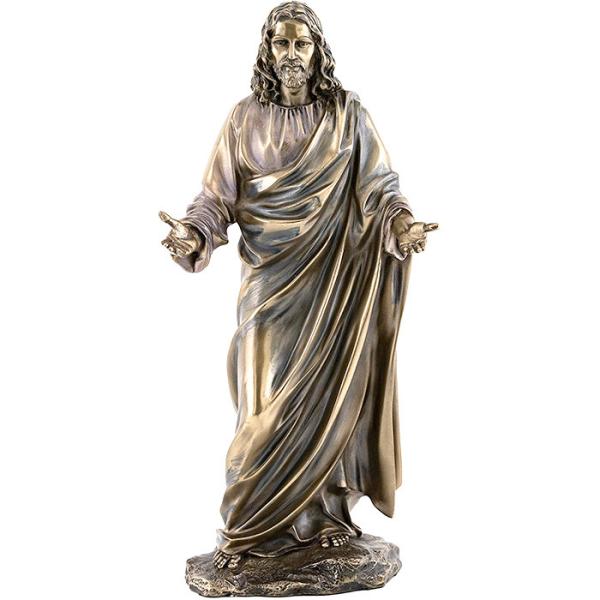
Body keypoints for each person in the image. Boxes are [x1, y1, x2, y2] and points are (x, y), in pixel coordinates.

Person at [160, 1, 437, 570]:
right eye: (282, 43)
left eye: (301, 44)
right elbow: (216, 198)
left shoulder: (348, 115)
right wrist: (193, 233)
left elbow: (380, 188)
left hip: (334, 282)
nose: (291, 54)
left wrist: (401, 224)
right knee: (262, 404)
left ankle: (324, 519)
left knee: (330, 397)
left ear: (317, 52)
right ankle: (246, 526)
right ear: (268, 49)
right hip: (269, 285)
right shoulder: (243, 119)